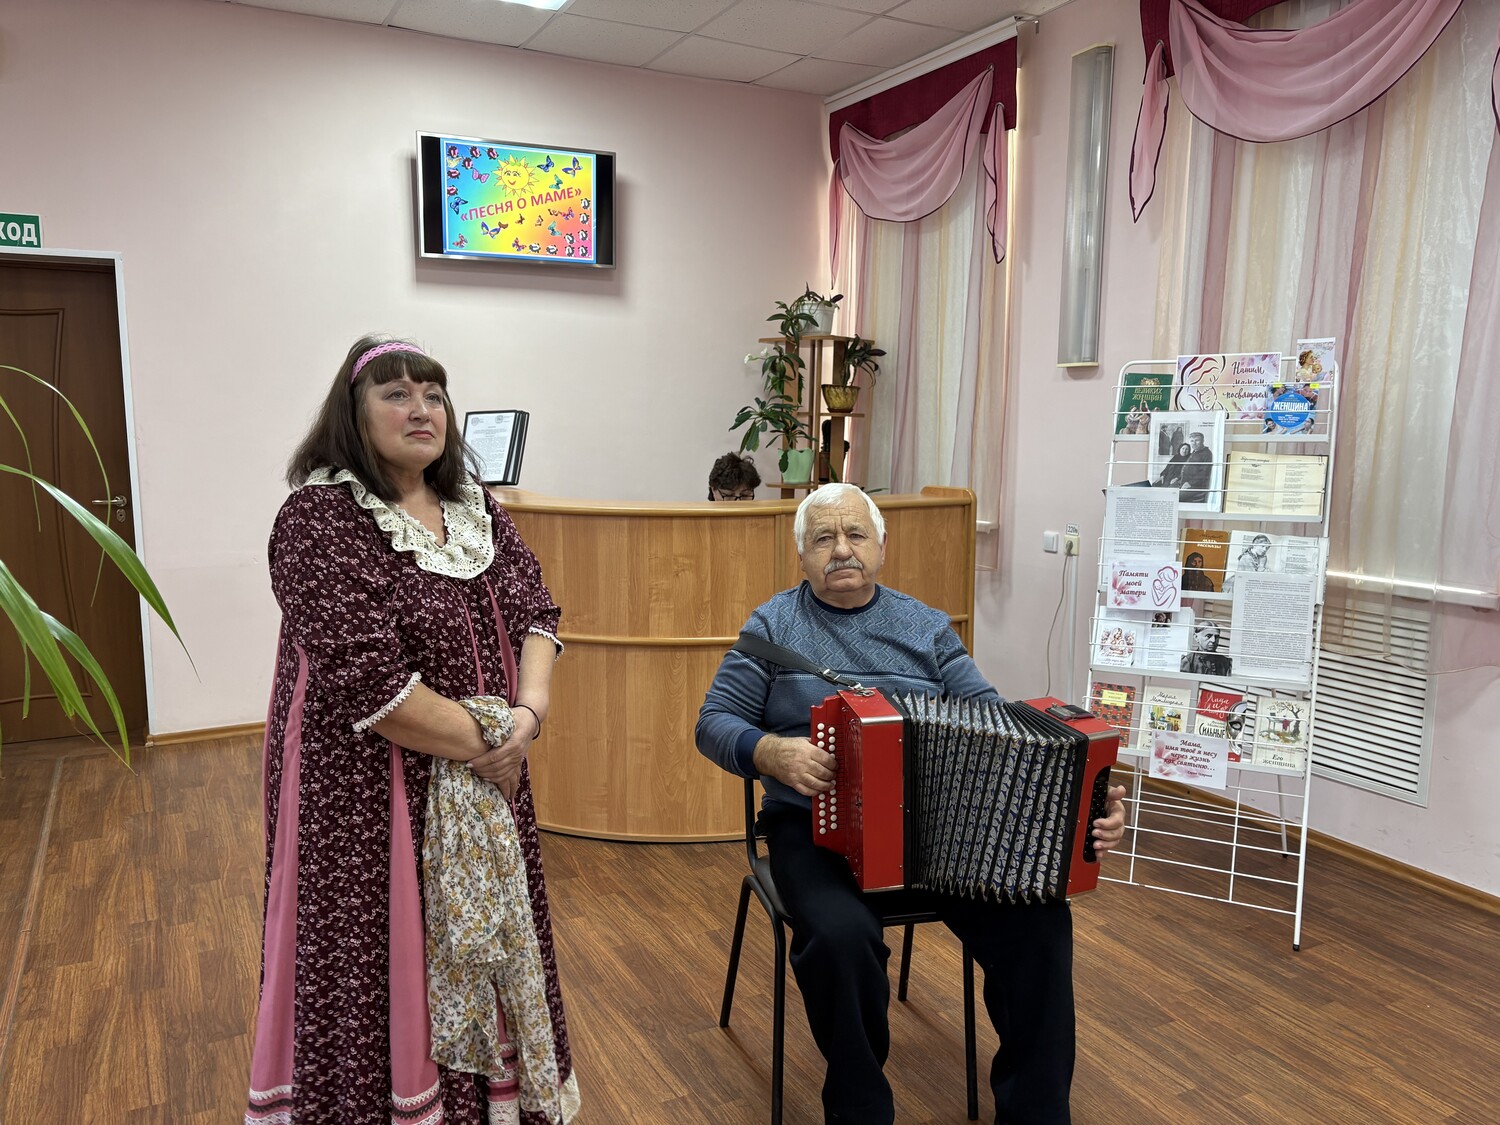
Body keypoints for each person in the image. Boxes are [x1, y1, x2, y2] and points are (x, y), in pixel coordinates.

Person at [695, 483, 1128, 1124]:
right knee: (839, 941)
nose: (841, 551)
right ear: (801, 555)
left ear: (881, 545)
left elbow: (995, 723)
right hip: (815, 829)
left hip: (938, 837)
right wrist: (769, 751)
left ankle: (1036, 1114)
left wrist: (1081, 807)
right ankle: (860, 1110)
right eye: (823, 538)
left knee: (1039, 923)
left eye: (855, 535)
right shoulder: (772, 627)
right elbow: (713, 722)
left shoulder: (925, 627)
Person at [246, 336, 579, 1124]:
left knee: (484, 944)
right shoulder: (318, 519)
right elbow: (372, 682)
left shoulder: (474, 506)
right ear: (353, 413)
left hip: (487, 776)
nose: (421, 409)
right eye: (396, 394)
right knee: (382, 953)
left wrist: (527, 717)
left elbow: (537, 612)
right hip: (370, 793)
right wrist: (496, 743)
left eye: (433, 394)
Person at [1180, 431, 1214, 503]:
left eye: (1197, 440)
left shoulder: (1207, 453)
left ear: (1203, 441)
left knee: (1173, 497)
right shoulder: (1195, 451)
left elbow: (1204, 473)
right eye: (1192, 441)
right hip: (1184, 483)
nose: (1194, 443)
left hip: (1195, 487)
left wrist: (1190, 483)